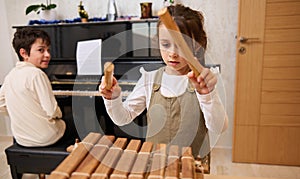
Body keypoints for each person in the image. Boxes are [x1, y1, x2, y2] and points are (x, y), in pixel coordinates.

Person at [99, 4, 228, 158]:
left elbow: (218, 128)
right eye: (166, 44)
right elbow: (122, 118)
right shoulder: (149, 79)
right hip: (155, 164)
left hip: (193, 166)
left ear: (197, 45)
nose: (172, 54)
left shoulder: (207, 80)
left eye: (181, 45)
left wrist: (208, 95)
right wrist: (113, 98)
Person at [0, 27, 78, 147]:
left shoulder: (10, 75)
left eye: (48, 50)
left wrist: (21, 113)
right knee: (76, 121)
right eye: (41, 50)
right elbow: (52, 110)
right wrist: (59, 116)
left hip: (21, 139)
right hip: (46, 138)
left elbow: (1, 104)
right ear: (24, 53)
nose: (47, 55)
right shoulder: (37, 74)